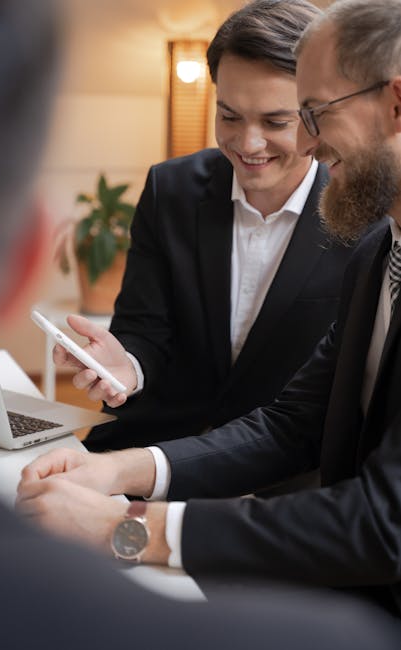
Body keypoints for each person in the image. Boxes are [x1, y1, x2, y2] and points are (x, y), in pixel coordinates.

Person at [0, 1, 401, 648]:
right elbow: (293, 421)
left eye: (309, 114)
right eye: (230, 114)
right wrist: (118, 472)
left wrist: (129, 529)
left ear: (395, 104)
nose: (300, 142)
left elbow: (381, 524)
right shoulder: (380, 250)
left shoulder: (352, 223)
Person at [58, 0, 358, 453]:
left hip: (285, 469)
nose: (247, 143)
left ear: (318, 115)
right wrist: (127, 365)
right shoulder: (169, 189)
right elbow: (144, 329)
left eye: (275, 121)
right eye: (229, 116)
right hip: (154, 444)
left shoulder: (360, 215)